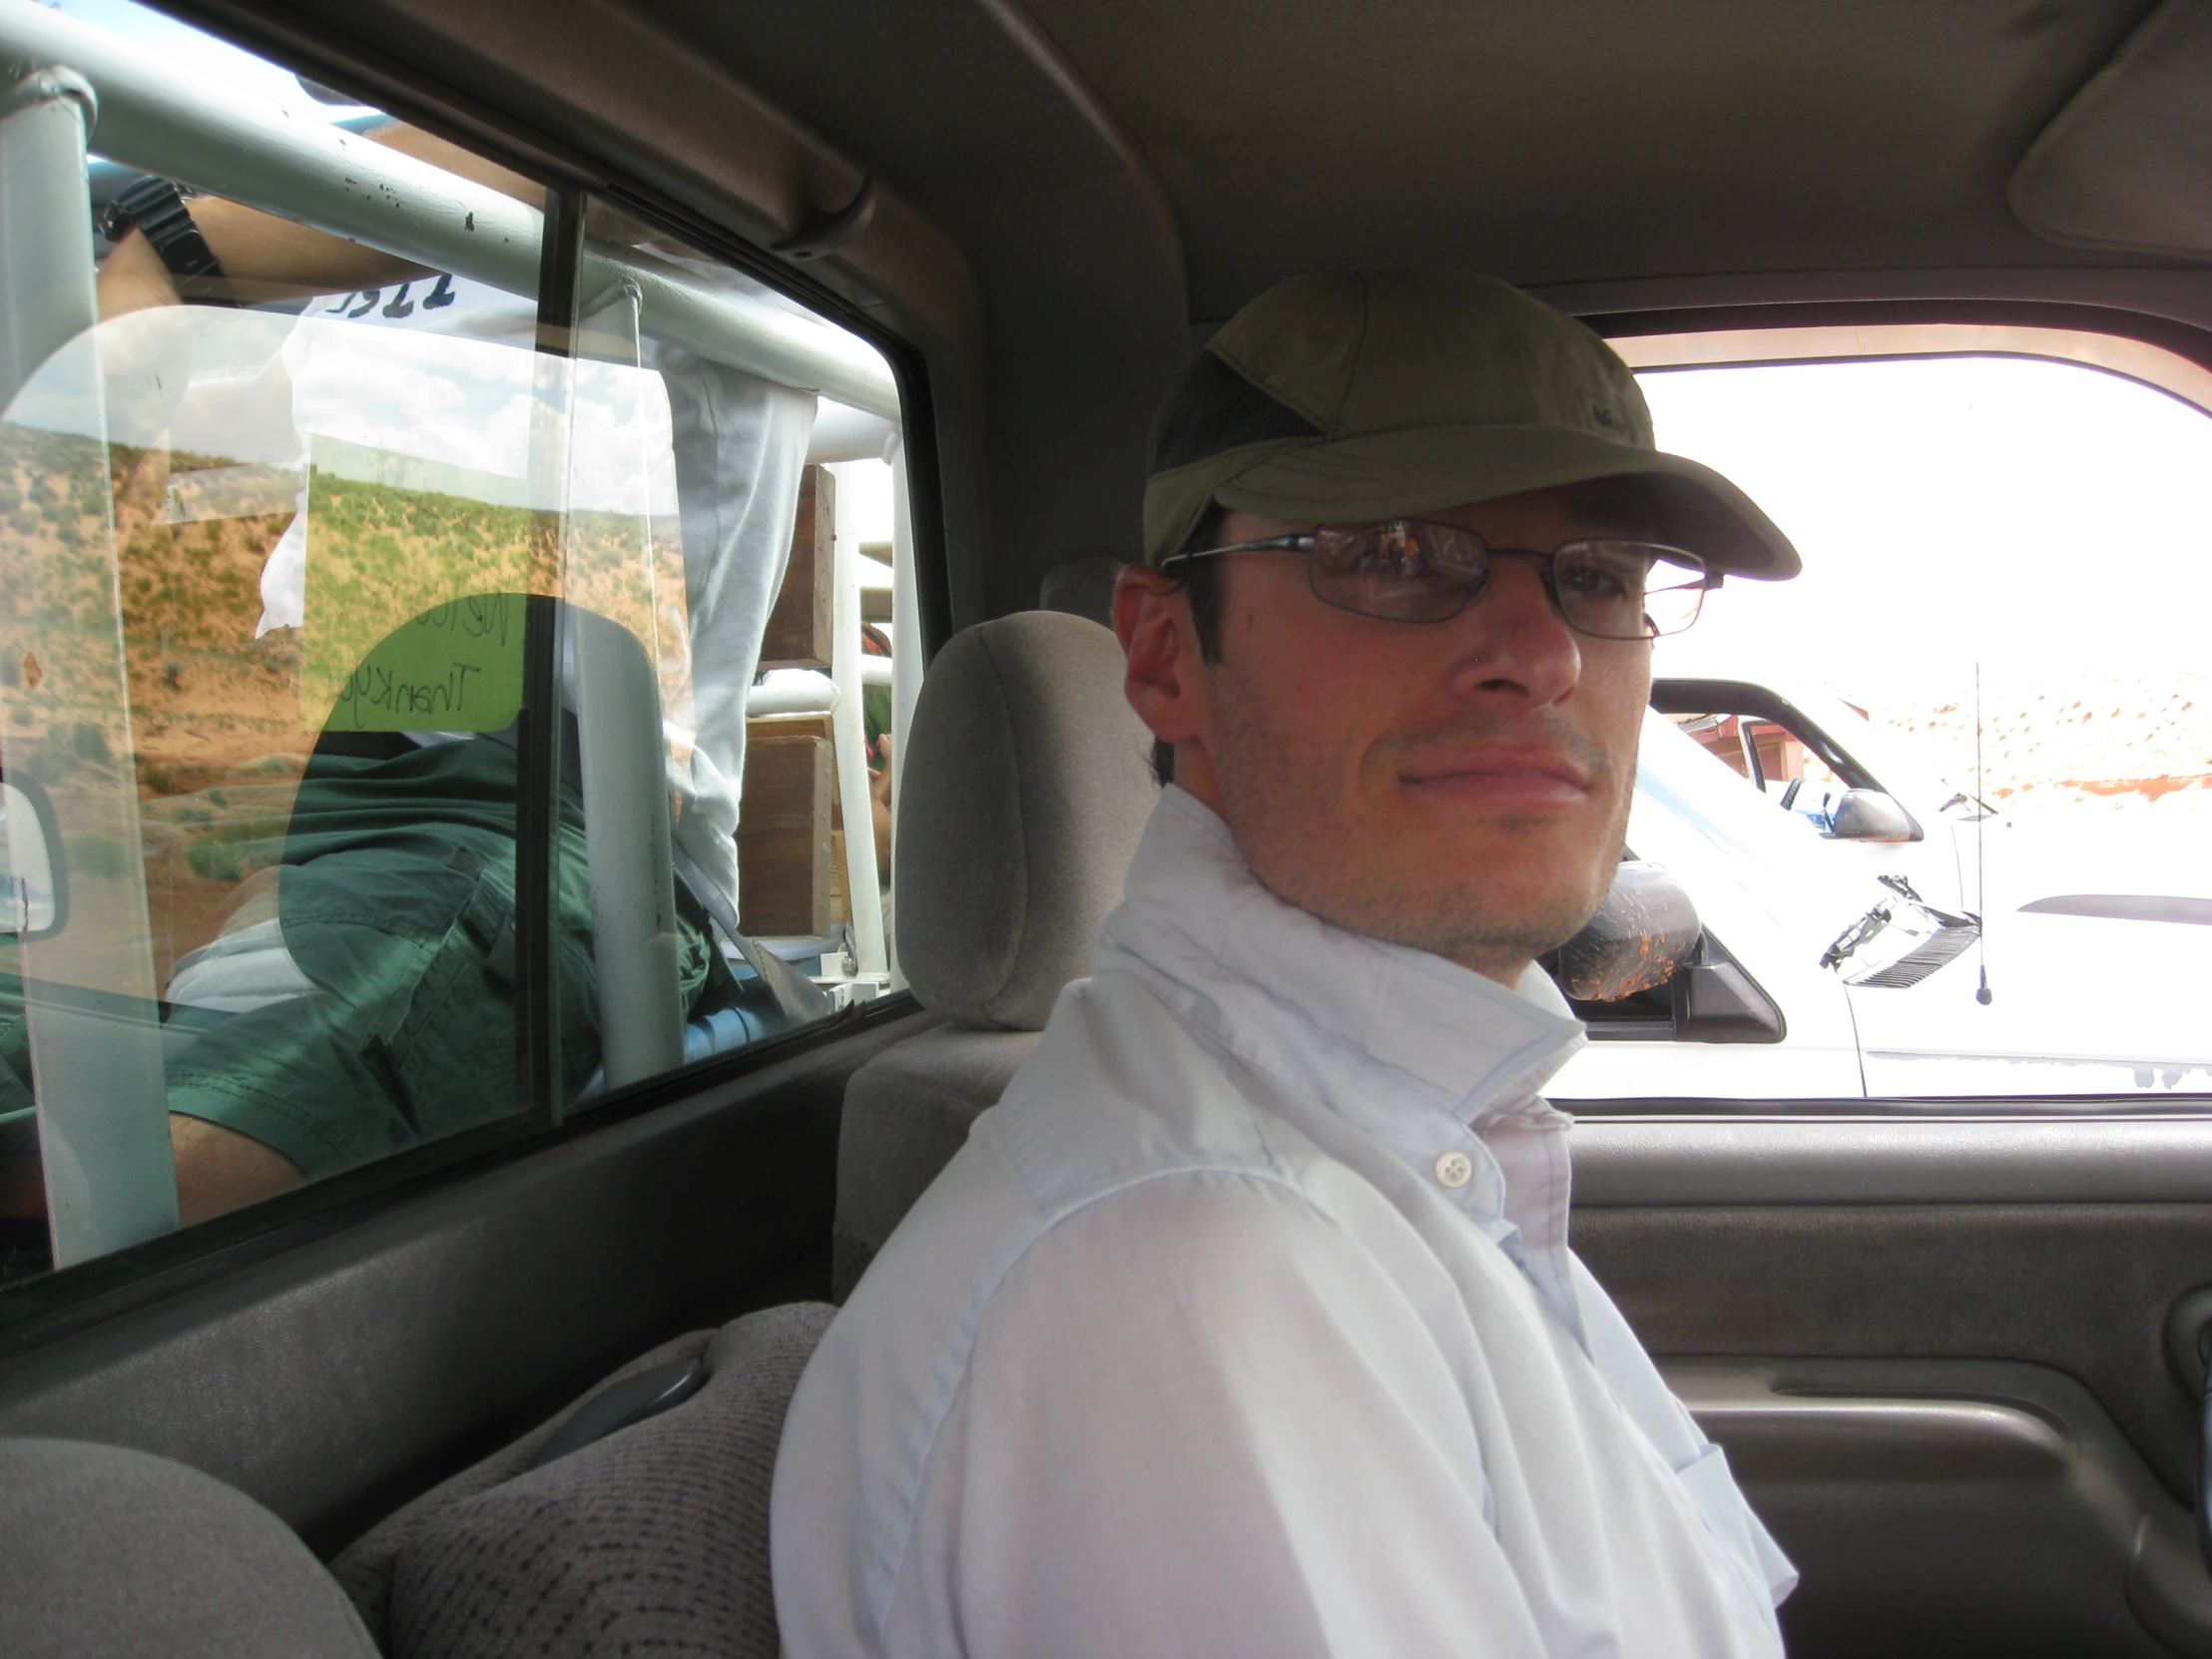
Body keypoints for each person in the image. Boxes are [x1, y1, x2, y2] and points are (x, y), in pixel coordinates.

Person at [773, 269, 1802, 1657]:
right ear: (1164, 653)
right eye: (1390, 551)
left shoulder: (1375, 1152)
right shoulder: (1177, 1277)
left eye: (1599, 575)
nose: (1544, 651)